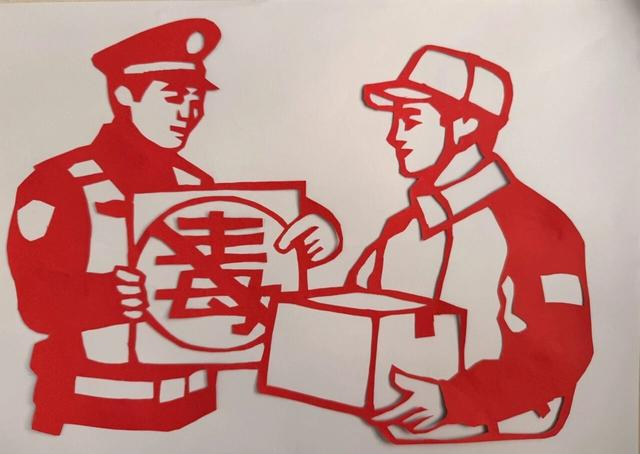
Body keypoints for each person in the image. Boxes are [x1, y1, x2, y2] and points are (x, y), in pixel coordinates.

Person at [7, 19, 341, 435]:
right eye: (172, 97)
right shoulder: (59, 183)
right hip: (90, 416)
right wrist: (109, 296)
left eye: (196, 99)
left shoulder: (195, 183)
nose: (188, 113)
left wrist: (319, 225)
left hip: (196, 416)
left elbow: (250, 230)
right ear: (125, 94)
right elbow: (36, 304)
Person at [346, 45, 593, 442]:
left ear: (464, 124)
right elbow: (352, 318)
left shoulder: (538, 227)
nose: (394, 135)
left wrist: (454, 400)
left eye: (410, 118)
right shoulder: (401, 229)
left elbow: (564, 355)